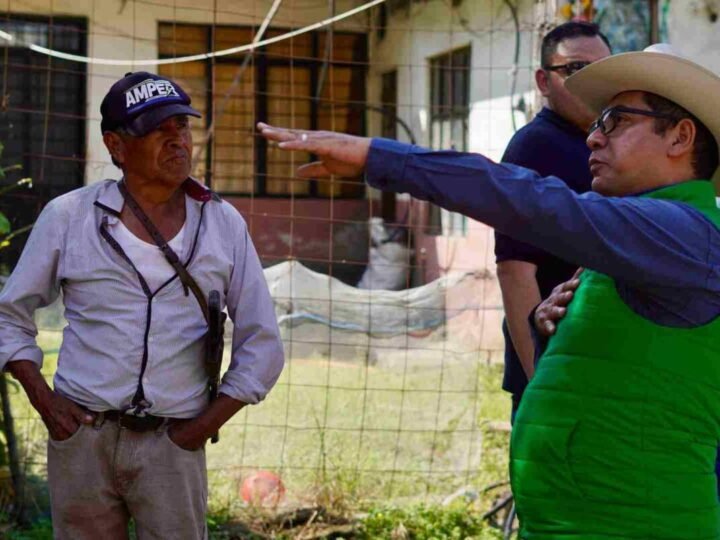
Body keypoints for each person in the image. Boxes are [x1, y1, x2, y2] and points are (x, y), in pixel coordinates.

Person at [257, 44, 720, 537]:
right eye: (597, 122)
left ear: (680, 136)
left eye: (615, 121)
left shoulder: (682, 232)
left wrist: (382, 159)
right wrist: (554, 334)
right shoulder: (642, 239)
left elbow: (534, 201)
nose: (592, 138)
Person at [0, 72, 284, 539]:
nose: (177, 140)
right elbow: (9, 316)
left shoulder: (222, 223)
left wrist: (196, 432)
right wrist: (45, 402)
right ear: (116, 146)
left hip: (173, 443)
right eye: (158, 129)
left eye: (182, 126)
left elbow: (263, 343)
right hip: (82, 439)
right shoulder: (70, 217)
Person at [494, 22, 610, 421]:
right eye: (576, 70)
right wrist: (539, 380)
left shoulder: (604, 145)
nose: (593, 83)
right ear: (544, 81)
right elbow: (514, 271)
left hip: (601, 365)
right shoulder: (535, 148)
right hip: (554, 370)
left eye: (603, 70)